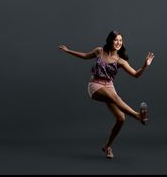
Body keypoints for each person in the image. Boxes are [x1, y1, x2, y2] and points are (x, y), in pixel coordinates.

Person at [59, 30, 155, 159]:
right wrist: (68, 51)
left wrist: (145, 66)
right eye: (116, 40)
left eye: (120, 41)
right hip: (95, 85)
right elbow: (85, 55)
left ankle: (107, 147)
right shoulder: (99, 51)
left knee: (121, 119)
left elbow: (136, 75)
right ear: (110, 40)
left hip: (109, 86)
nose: (118, 43)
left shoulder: (120, 61)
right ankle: (138, 116)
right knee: (115, 97)